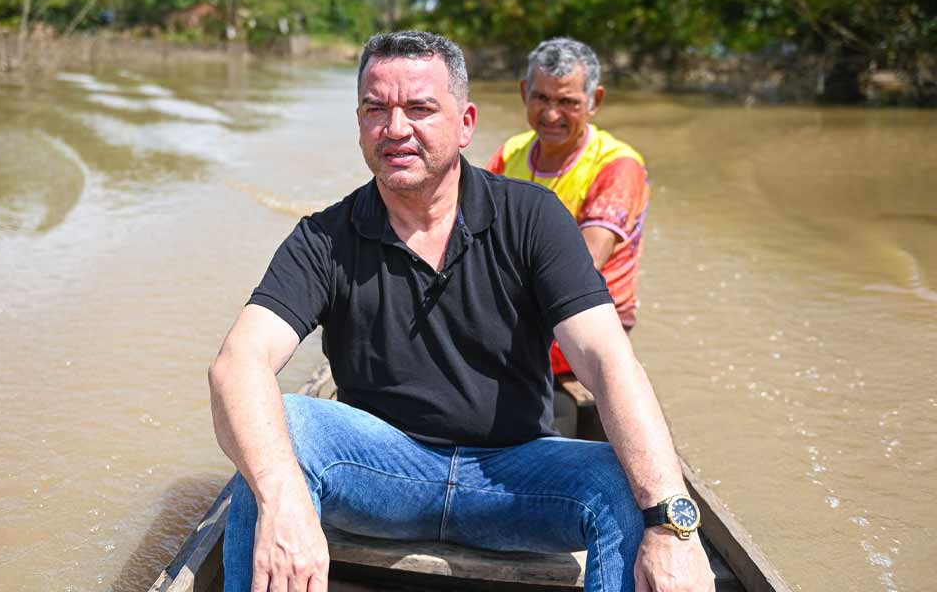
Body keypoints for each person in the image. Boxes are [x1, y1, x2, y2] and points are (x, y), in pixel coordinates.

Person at [208, 30, 713, 592]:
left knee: (630, 480)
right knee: (278, 434)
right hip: (379, 475)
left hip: (514, 480)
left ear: (466, 123)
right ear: (359, 124)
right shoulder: (324, 238)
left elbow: (607, 361)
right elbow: (238, 363)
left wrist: (673, 525)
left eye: (420, 109)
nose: (395, 128)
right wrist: (282, 498)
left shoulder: (534, 218)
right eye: (376, 109)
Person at [487, 38, 650, 376]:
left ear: (595, 101)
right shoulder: (511, 152)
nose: (551, 115)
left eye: (567, 102)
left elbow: (584, 265)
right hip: (522, 309)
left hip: (584, 321)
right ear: (524, 93)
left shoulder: (617, 166)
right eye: (541, 98)